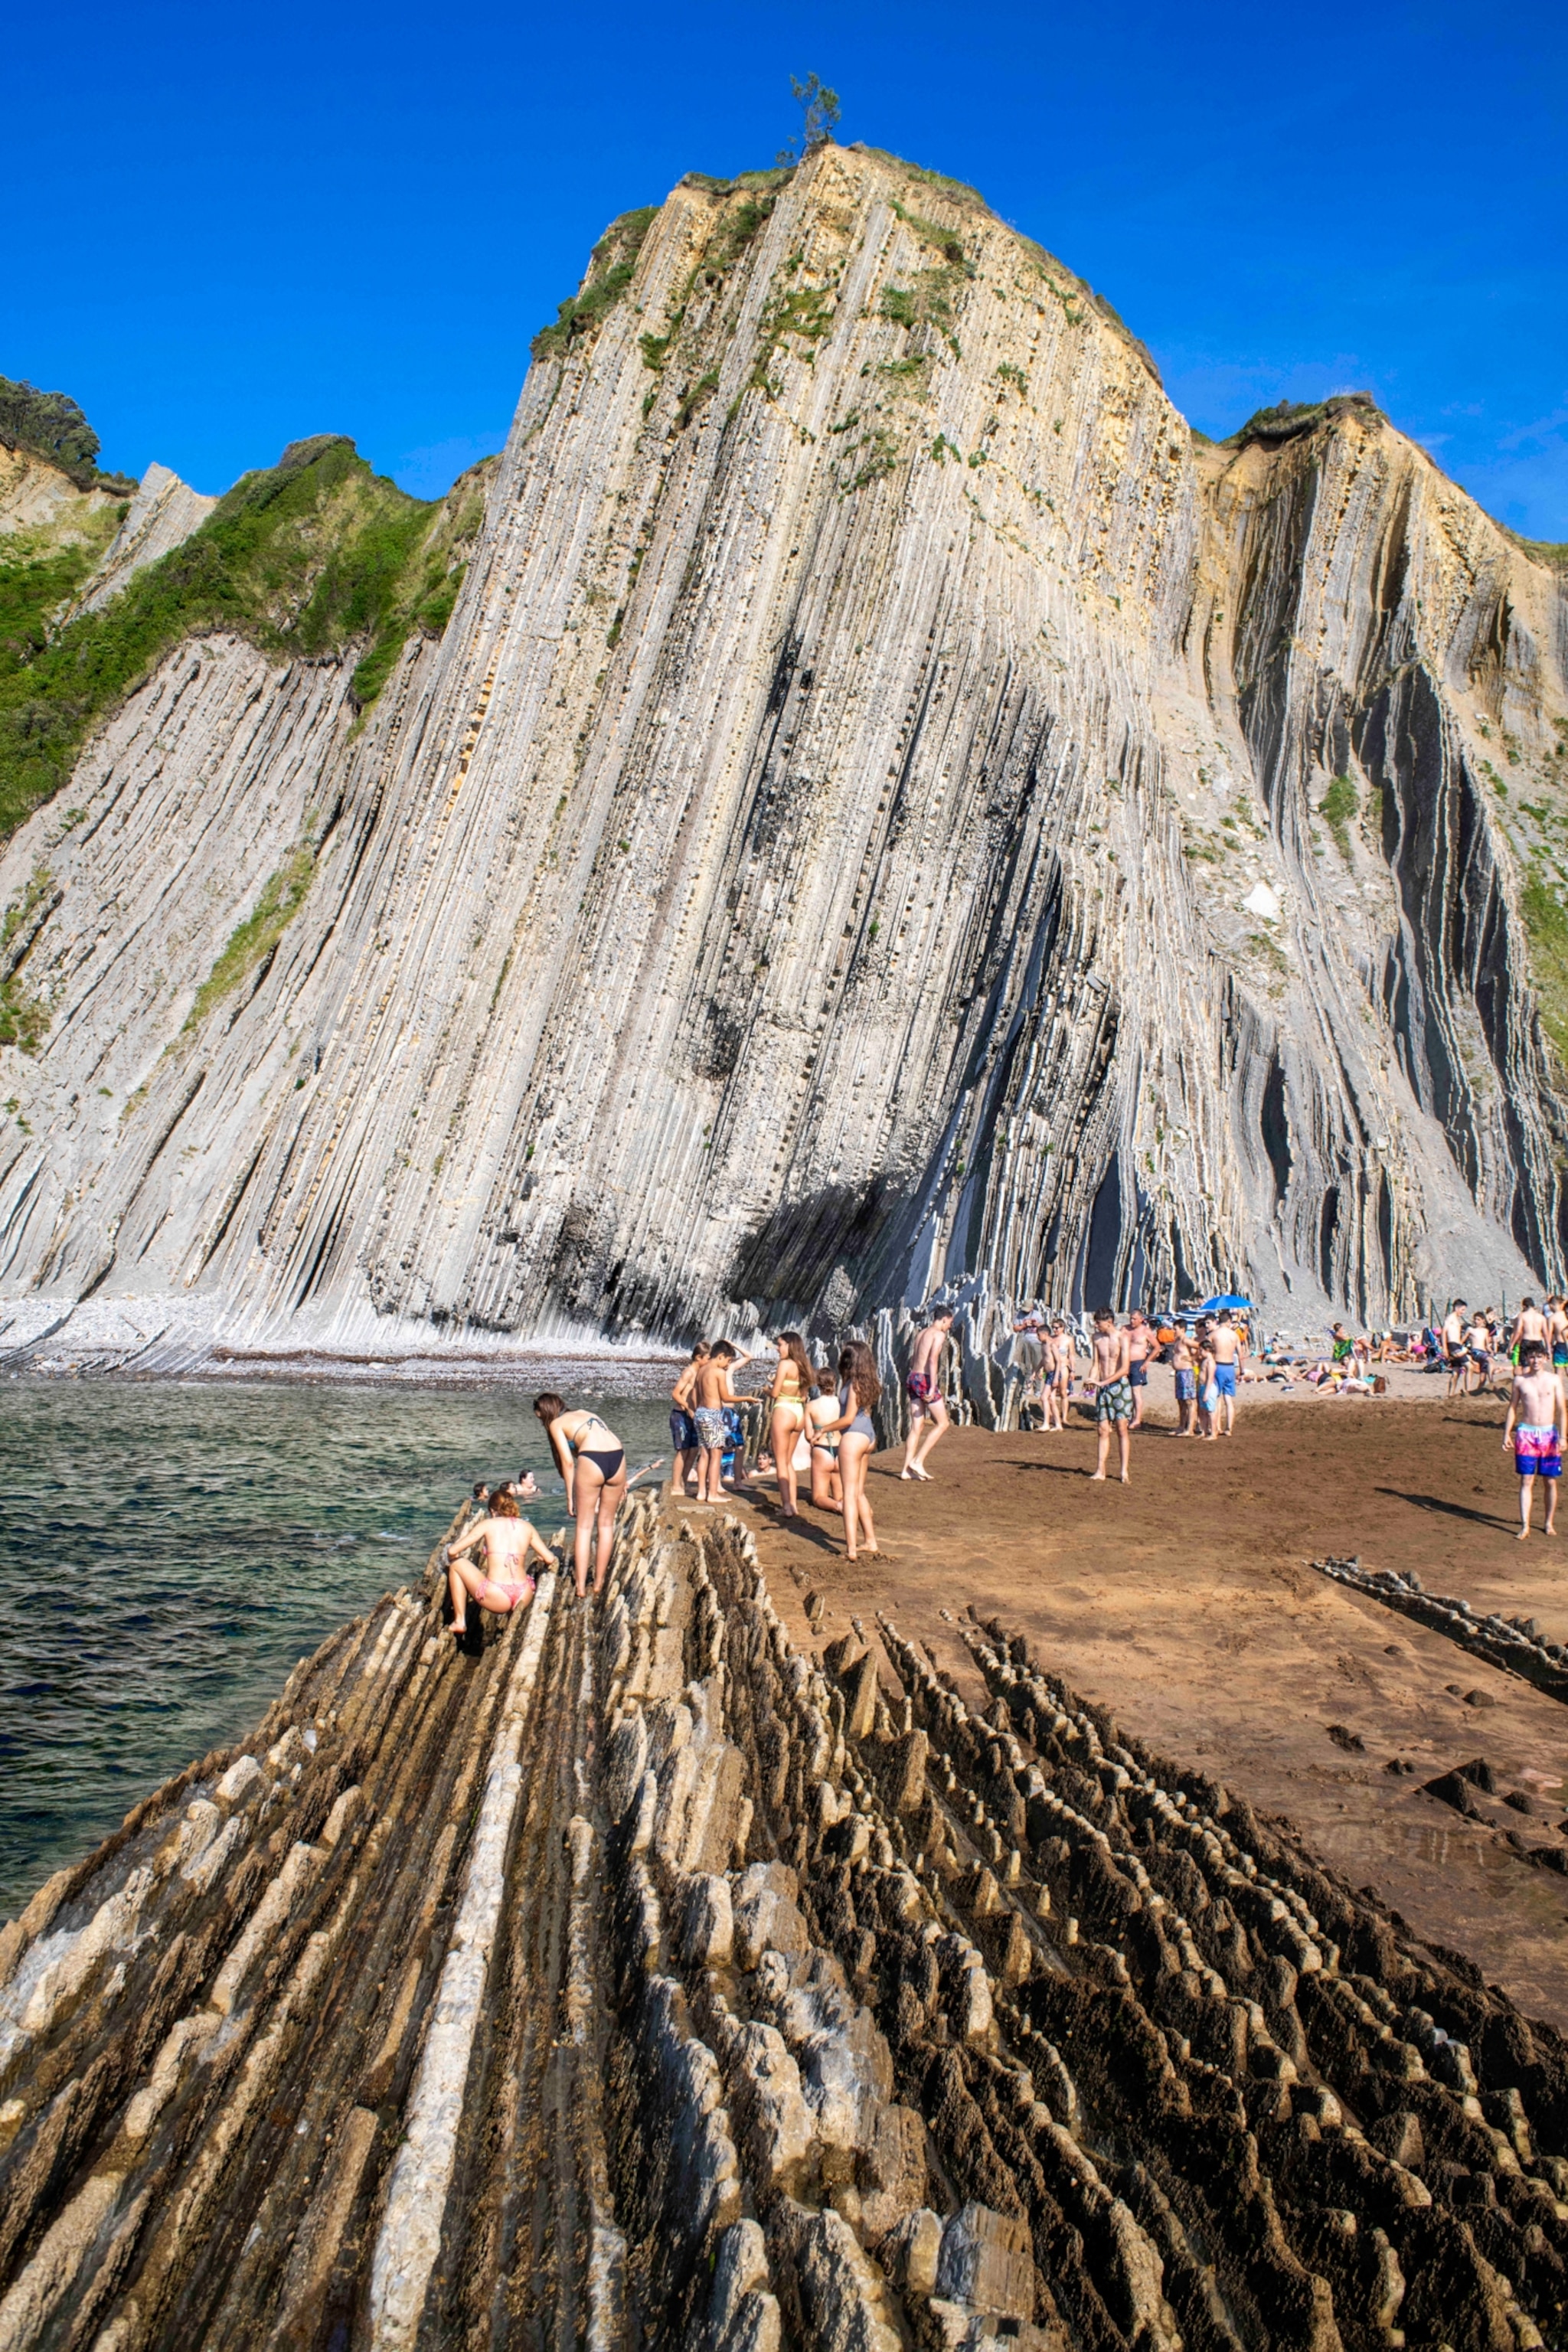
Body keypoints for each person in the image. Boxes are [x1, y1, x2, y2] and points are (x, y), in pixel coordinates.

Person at [534, 1395, 628, 1599]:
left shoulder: (557, 1424)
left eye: (541, 1419)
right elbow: (610, 1438)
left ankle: (581, 1587)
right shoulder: (586, 1413)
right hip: (618, 1456)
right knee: (606, 1525)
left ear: (546, 1413)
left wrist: (570, 1496)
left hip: (593, 1458)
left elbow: (568, 1463)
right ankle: (599, 1583)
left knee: (584, 1527)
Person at [443, 1485, 558, 1645]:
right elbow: (550, 1558)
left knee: (456, 1565)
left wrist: (455, 1556)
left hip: (497, 1595)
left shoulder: (488, 1524)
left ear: (492, 1511)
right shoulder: (527, 1527)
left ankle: (460, 1621)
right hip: (523, 1594)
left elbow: (453, 1550)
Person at [817, 1339, 883, 1560]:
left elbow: (846, 1419)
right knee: (860, 1493)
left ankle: (851, 1549)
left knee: (849, 1495)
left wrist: (823, 1429)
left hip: (853, 1437)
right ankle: (871, 1541)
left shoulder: (853, 1384)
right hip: (868, 1434)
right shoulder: (869, 1382)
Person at [1503, 1341, 1566, 1540]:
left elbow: (1562, 1410)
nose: (1536, 1360)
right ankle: (1525, 1525)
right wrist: (1507, 1433)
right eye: (1532, 1357)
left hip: (1549, 1434)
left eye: (1539, 1356)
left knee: (1550, 1481)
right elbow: (1512, 1408)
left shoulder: (1555, 1380)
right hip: (1526, 1434)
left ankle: (1548, 1522)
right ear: (1527, 1359)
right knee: (1526, 1480)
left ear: (1546, 1358)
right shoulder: (1520, 1381)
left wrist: (1563, 1437)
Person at [691, 1341, 754, 1505]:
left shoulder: (701, 1370)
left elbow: (696, 1395)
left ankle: (701, 1492)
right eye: (727, 1361)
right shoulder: (717, 1372)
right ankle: (712, 1493)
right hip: (713, 1414)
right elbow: (726, 1398)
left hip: (700, 1413)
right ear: (720, 1356)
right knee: (716, 1454)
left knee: (704, 1454)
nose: (728, 1365)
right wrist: (747, 1398)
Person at [902, 1308, 955, 1481]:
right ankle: (918, 1461)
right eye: (950, 1323)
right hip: (924, 1379)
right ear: (944, 1319)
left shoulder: (921, 1333)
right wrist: (933, 1387)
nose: (949, 1327)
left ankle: (905, 1470)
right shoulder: (938, 1335)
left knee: (917, 1426)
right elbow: (932, 1360)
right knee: (943, 1423)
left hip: (912, 1377)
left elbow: (912, 1359)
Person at [769, 1333, 812, 1517]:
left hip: (784, 1409)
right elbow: (803, 1396)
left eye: (780, 1345)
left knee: (780, 1462)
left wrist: (767, 1388)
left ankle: (786, 1506)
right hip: (798, 1412)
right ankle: (793, 1505)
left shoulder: (785, 1364)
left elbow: (775, 1393)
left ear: (789, 1345)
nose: (778, 1349)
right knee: (789, 1462)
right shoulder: (804, 1366)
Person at [1089, 1308, 1132, 1482]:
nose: (1096, 1325)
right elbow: (1096, 1364)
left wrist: (1103, 1382)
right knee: (1102, 1430)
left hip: (1120, 1387)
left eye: (1099, 1322)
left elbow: (1125, 1369)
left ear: (1109, 1321)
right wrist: (1092, 1379)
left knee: (1122, 1429)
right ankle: (1100, 1470)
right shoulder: (1096, 1338)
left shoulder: (1122, 1338)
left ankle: (1124, 1471)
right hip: (1103, 1388)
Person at [669, 1342, 707, 1498]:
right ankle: (676, 1484)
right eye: (708, 1358)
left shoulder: (701, 1373)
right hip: (681, 1416)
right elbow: (676, 1394)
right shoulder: (689, 1372)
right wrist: (688, 1407)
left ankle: (684, 1483)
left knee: (693, 1450)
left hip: (693, 1417)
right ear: (699, 1357)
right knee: (682, 1450)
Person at [806, 1364, 844, 1508]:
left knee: (818, 1498)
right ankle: (844, 1505)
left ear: (817, 1384)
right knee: (840, 1495)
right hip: (841, 1450)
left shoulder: (811, 1406)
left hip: (822, 1450)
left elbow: (809, 1435)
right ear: (835, 1382)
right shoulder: (841, 1403)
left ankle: (838, 1507)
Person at [1209, 1310, 1242, 1436]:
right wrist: (1242, 1371)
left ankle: (1216, 1427)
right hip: (1229, 1366)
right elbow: (1240, 1354)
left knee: (1217, 1398)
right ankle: (1229, 1429)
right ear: (1229, 1321)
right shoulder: (1234, 1335)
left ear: (1219, 1321)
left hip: (1217, 1365)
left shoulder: (1213, 1334)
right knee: (1228, 1399)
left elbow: (1205, 1348)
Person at [1125, 1307, 1154, 1430]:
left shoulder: (1145, 1332)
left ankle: (1137, 1419)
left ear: (1141, 1320)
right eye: (1131, 1318)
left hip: (1138, 1363)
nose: (1132, 1321)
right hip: (1125, 1362)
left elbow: (1157, 1347)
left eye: (1135, 1319)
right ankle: (1126, 1416)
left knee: (1136, 1392)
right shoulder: (1125, 1329)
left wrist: (1147, 1362)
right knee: (1125, 1391)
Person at [1171, 1325, 1197, 1436]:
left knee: (1189, 1401)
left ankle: (1190, 1429)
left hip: (1187, 1373)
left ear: (1182, 1329)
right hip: (1179, 1374)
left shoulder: (1186, 1340)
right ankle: (1181, 1426)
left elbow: (1202, 1347)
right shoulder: (1177, 1341)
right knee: (1181, 1401)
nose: (1173, 1331)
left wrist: (1193, 1358)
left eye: (1175, 1329)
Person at [1443, 1299, 1470, 1396]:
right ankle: (1467, 1391)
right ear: (1456, 1308)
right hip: (1452, 1345)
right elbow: (1444, 1332)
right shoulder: (1450, 1318)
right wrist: (1445, 1348)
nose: (1463, 1312)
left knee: (1456, 1372)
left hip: (1457, 1345)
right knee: (1469, 1366)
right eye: (1462, 1310)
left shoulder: (1456, 1319)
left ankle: (1450, 1394)